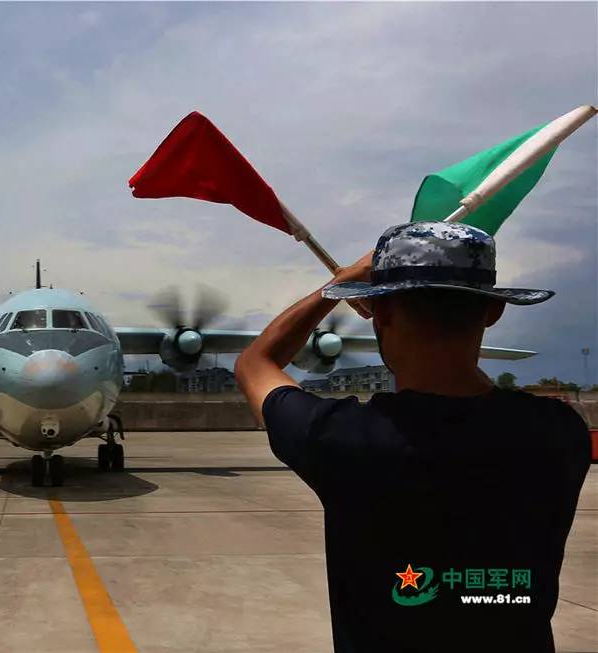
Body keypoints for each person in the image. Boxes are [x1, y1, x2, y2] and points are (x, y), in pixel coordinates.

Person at [235, 222, 590, 653]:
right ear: (493, 312)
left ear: (380, 314)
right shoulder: (560, 432)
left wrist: (340, 283)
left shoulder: (338, 438)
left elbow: (256, 362)